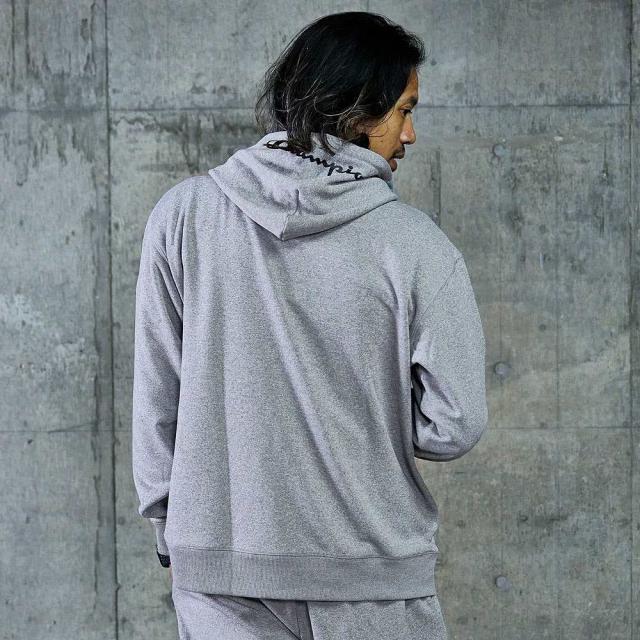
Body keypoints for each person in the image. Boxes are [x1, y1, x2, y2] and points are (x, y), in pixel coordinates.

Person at [131, 10, 488, 640]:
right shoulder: (414, 246)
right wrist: (365, 411)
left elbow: (159, 391)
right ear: (359, 111)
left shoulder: (183, 216)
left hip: (219, 574)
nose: (409, 134)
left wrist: (170, 525)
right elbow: (455, 422)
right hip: (370, 576)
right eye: (404, 110)